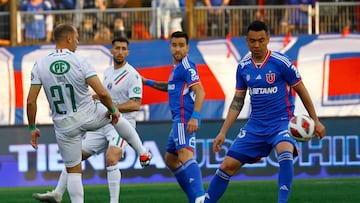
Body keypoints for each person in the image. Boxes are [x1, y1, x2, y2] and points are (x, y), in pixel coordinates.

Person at [26, 23, 151, 203]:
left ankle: (71, 198)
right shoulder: (80, 61)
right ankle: (142, 151)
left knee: (74, 171)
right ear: (69, 38)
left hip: (63, 126)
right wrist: (113, 109)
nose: (77, 41)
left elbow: (31, 101)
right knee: (112, 115)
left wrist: (32, 127)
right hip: (88, 116)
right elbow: (102, 93)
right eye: (76, 38)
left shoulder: (40, 64)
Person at [204, 20, 326, 203]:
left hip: (281, 122)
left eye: (261, 40)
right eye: (252, 41)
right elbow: (238, 101)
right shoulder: (243, 67)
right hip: (256, 125)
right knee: (227, 166)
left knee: (284, 151)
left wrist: (315, 120)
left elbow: (301, 89)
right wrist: (223, 132)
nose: (257, 45)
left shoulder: (280, 62)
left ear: (268, 39)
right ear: (246, 41)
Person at [142, 31, 206, 203]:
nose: (177, 49)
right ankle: (194, 197)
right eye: (174, 45)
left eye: (181, 45)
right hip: (178, 119)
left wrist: (196, 116)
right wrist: (146, 81)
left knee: (184, 155)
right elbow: (168, 87)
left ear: (187, 48)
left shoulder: (187, 66)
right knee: (171, 159)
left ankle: (200, 197)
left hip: (184, 117)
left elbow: (200, 91)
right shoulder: (176, 69)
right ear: (170, 47)